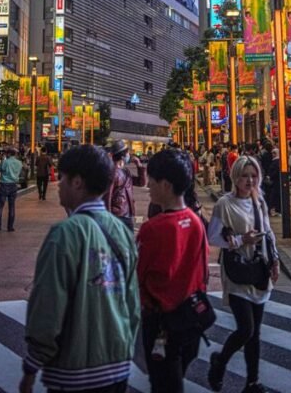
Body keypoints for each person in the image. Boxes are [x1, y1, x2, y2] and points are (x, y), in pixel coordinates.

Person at [19, 144, 140, 393]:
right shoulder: (122, 232)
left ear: (77, 182)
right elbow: (133, 303)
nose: (58, 185)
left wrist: (33, 364)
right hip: (118, 363)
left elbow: (48, 305)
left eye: (62, 178)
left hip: (73, 371)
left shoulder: (65, 234)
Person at [137, 148, 209, 393]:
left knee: (164, 383)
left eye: (152, 181)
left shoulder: (153, 229)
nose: (148, 187)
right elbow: (204, 272)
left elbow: (138, 275)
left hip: (161, 321)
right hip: (192, 316)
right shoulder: (195, 220)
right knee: (175, 376)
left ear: (165, 185)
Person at [208, 155, 280, 393]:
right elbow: (213, 237)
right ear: (235, 177)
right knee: (246, 329)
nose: (249, 180)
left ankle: (252, 382)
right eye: (244, 176)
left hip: (259, 269)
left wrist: (275, 260)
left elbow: (268, 232)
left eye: (253, 176)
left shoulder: (259, 201)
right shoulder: (224, 204)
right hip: (238, 270)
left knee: (255, 332)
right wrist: (240, 240)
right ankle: (220, 361)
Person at [0, 146, 23, 232]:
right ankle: (10, 227)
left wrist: (2, 160)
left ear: (8, 154)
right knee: (12, 206)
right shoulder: (19, 163)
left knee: (0, 206)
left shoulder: (5, 162)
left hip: (4, 184)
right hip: (14, 185)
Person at [104, 140, 135, 230]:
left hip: (128, 213)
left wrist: (140, 166)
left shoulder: (125, 171)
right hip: (118, 215)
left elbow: (141, 182)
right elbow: (107, 197)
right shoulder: (113, 173)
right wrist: (108, 218)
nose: (128, 155)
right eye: (127, 153)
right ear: (122, 156)